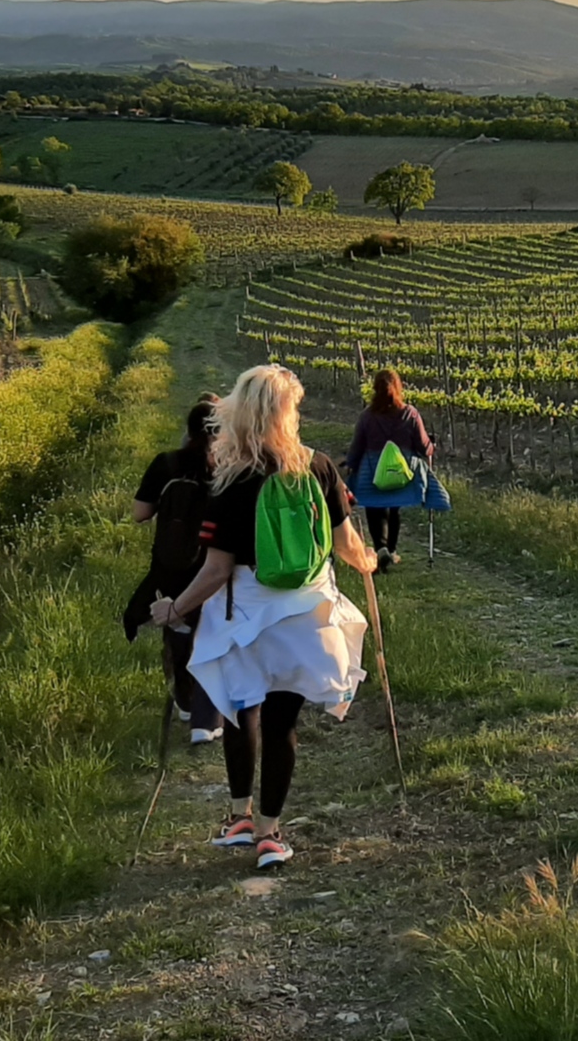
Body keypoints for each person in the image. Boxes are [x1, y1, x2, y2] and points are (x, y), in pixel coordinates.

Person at [151, 364, 376, 870]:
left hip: (247, 612)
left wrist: (174, 609)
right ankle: (271, 833)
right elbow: (347, 547)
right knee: (282, 722)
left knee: (239, 710)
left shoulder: (232, 480)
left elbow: (215, 571)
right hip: (306, 613)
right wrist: (370, 561)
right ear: (286, 414)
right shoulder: (318, 468)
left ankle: (239, 819)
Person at [124, 399, 225, 744]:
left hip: (170, 564)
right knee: (212, 630)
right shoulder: (227, 467)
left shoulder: (166, 463)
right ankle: (208, 712)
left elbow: (139, 513)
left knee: (178, 626)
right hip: (213, 562)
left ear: (188, 429)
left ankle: (185, 700)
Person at [345, 368, 435, 572]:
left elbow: (358, 445)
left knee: (375, 509)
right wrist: (431, 447)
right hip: (401, 473)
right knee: (394, 508)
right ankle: (391, 550)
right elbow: (423, 445)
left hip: (373, 471)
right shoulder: (410, 414)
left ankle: (380, 548)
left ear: (374, 390)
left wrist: (351, 464)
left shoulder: (367, 417)